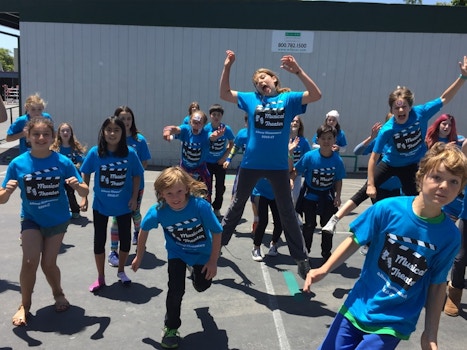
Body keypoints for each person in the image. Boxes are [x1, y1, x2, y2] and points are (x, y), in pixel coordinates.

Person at [304, 142, 467, 350]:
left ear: (461, 188)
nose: (444, 186)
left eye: (454, 181)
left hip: (395, 320)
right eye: (437, 177)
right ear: (421, 176)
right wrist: (324, 269)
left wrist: (431, 333)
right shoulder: (388, 209)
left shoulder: (449, 236)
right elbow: (355, 239)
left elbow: (437, 285)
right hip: (359, 305)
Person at [322, 57, 467, 236]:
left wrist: (462, 78)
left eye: (403, 107)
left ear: (409, 106)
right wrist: (371, 185)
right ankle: (335, 219)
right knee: (364, 191)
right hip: (391, 163)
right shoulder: (388, 129)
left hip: (412, 164)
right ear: (391, 109)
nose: (400, 111)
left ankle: (420, 231)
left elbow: (445, 98)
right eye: (396, 108)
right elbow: (374, 157)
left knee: (419, 197)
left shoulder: (420, 113)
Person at [219, 49, 322, 279]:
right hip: (251, 164)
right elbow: (224, 93)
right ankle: (217, 247)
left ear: (274, 79)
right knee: (236, 206)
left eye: (263, 77)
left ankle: (301, 259)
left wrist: (299, 72)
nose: (259, 82)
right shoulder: (251, 99)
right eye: (256, 81)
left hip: (277, 167)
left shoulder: (288, 99)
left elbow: (316, 95)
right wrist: (228, 66)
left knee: (287, 211)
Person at [0, 117, 89, 326]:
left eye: (46, 134)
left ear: (52, 137)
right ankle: (25, 304)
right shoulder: (18, 164)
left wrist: (78, 187)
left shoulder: (62, 162)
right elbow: (2, 199)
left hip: (57, 220)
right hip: (31, 218)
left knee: (48, 263)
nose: (41, 138)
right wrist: (7, 191)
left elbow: (85, 189)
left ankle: (58, 293)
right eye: (36, 134)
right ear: (28, 137)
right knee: (30, 261)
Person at [131, 166, 222, 349]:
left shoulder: (200, 206)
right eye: (169, 193)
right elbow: (144, 230)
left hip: (202, 253)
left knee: (202, 285)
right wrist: (139, 257)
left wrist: (213, 261)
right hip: (177, 253)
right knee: (175, 291)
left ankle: (197, 280)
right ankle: (171, 328)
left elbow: (217, 231)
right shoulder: (159, 211)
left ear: (187, 189)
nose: (175, 197)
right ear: (161, 194)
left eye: (179, 191)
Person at [80, 116, 144, 292]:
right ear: (103, 132)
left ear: (123, 132)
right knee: (99, 241)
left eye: (117, 130)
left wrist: (133, 198)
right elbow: (85, 171)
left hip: (124, 205)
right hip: (100, 205)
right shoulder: (95, 152)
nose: (112, 133)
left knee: (125, 241)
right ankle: (100, 277)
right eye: (108, 129)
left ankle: (121, 271)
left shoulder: (130, 153)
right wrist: (84, 196)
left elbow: (137, 175)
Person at [293, 125, 346, 261]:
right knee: (309, 225)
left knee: (327, 226)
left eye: (329, 138)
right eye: (323, 138)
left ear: (335, 140)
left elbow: (338, 180)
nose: (326, 141)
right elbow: (296, 170)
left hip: (327, 197)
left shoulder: (337, 160)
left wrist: (338, 196)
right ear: (318, 140)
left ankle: (326, 253)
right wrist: (291, 180)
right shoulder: (310, 157)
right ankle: (305, 252)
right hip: (310, 196)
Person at [107, 106, 151, 267]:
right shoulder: (112, 139)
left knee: (135, 213)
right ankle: (113, 251)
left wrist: (133, 178)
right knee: (116, 218)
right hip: (116, 187)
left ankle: (137, 233)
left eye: (129, 119)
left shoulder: (139, 140)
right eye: (123, 118)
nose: (126, 122)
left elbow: (144, 162)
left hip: (135, 187)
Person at [163, 109, 225, 203]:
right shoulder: (185, 130)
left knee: (204, 192)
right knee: (181, 191)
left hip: (199, 168)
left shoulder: (205, 134)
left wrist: (215, 136)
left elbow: (211, 136)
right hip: (185, 168)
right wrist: (169, 131)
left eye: (199, 123)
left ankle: (205, 207)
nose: (196, 125)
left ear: (204, 124)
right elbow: (176, 129)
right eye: (194, 122)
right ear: (190, 122)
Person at [50, 122, 87, 219]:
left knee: (70, 193)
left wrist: (78, 166)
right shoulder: (55, 149)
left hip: (71, 177)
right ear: (59, 134)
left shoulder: (74, 148)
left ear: (71, 133)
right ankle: (60, 211)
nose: (65, 132)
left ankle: (75, 210)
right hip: (59, 177)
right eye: (63, 131)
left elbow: (83, 160)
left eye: (67, 130)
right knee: (58, 194)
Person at [205, 104, 235, 217]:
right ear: (210, 116)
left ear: (221, 116)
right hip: (207, 162)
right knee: (206, 186)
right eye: (214, 114)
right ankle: (206, 206)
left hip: (219, 163)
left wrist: (225, 157)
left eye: (218, 115)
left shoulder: (226, 129)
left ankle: (217, 207)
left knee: (220, 187)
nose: (216, 117)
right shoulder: (206, 128)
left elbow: (232, 143)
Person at [250, 178, 283, 261]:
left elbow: (290, 170)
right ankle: (256, 247)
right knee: (263, 220)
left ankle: (274, 244)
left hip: (277, 193)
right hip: (260, 192)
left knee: (279, 221)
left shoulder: (281, 164)